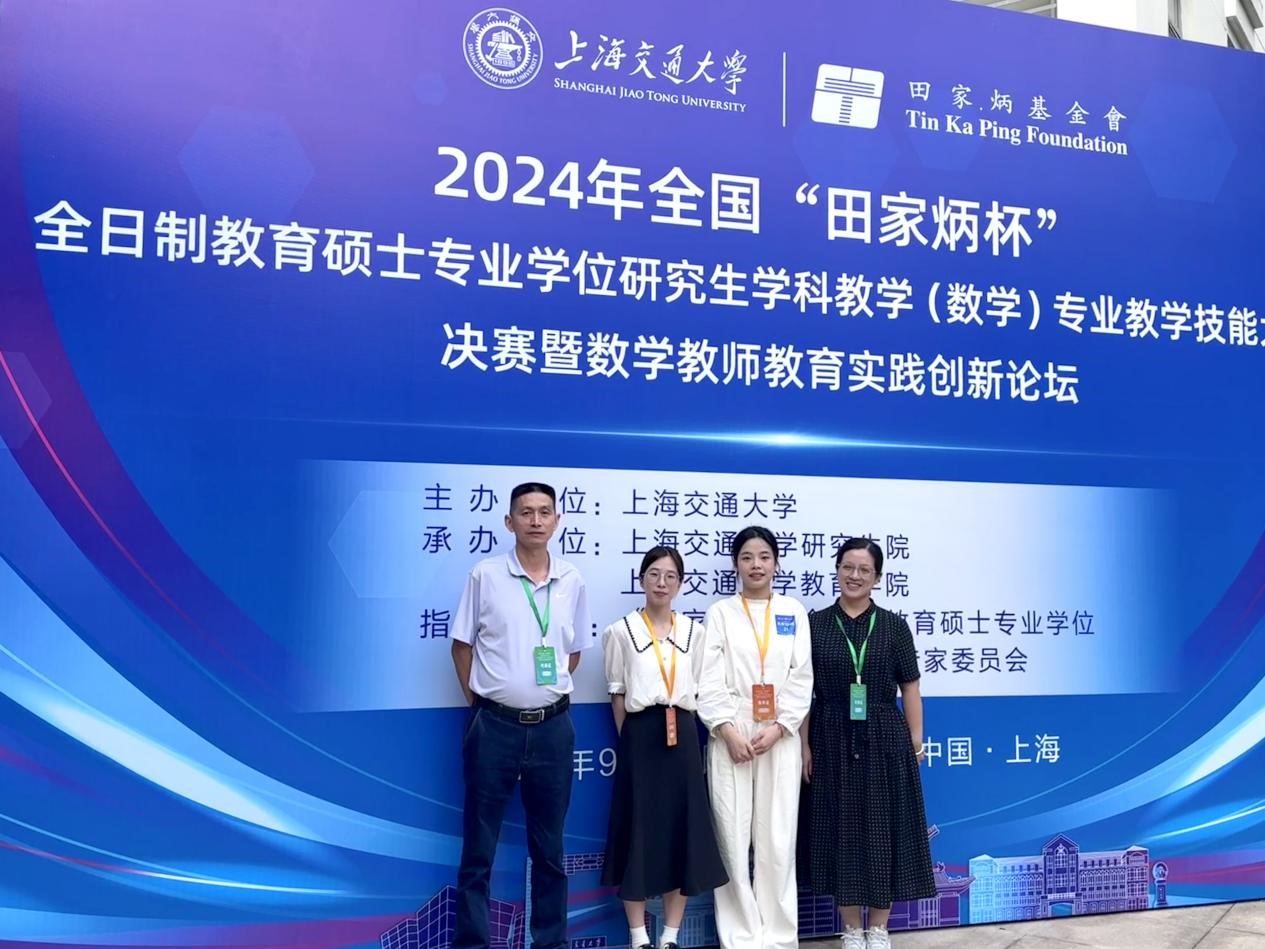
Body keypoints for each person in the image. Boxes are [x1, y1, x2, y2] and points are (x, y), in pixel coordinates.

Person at [450, 482, 593, 949]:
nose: (536, 520)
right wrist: (484, 704)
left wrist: (540, 694)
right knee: (479, 849)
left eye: (544, 512)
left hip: (553, 729)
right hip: (494, 727)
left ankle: (550, 942)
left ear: (557, 521)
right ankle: (473, 943)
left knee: (550, 850)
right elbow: (462, 646)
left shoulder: (572, 580)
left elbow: (573, 653)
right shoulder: (485, 575)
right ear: (509, 522)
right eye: (526, 512)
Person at [801, 537, 936, 949]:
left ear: (877, 577)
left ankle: (878, 928)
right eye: (847, 567)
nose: (854, 576)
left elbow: (910, 687)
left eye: (864, 570)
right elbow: (802, 691)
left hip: (884, 736)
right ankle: (850, 928)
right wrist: (804, 745)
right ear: (837, 570)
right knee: (839, 828)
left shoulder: (894, 626)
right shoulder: (815, 624)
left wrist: (915, 742)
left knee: (883, 829)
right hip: (830, 734)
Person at [600, 546, 728, 949]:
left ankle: (670, 936)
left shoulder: (695, 633)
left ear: (681, 583)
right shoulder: (621, 631)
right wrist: (629, 743)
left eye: (670, 576)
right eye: (654, 574)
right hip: (640, 735)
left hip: (683, 734)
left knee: (681, 832)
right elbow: (617, 694)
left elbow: (704, 689)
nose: (661, 583)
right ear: (641, 579)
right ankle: (639, 936)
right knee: (637, 830)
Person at [697, 526, 813, 949]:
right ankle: (741, 936)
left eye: (764, 556)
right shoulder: (721, 613)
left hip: (779, 734)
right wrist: (726, 729)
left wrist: (781, 727)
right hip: (732, 732)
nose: (756, 565)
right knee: (731, 836)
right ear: (736, 565)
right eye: (747, 557)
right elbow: (707, 679)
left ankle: (779, 936)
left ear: (776, 563)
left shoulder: (793, 611)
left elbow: (802, 676)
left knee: (778, 837)